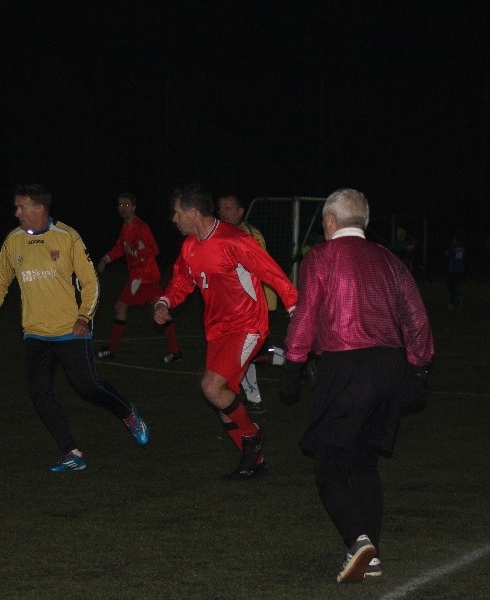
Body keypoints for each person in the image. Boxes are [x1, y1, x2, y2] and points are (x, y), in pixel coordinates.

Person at [281, 188, 434, 583]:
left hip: (346, 364)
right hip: (389, 365)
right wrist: (418, 369)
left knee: (329, 464)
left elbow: (306, 315)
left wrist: (293, 365)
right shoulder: (390, 259)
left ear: (330, 221)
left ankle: (358, 539)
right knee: (365, 464)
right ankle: (371, 555)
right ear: (363, 221)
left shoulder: (322, 257)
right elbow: (416, 317)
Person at [0, 184, 149, 473]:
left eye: (21, 207)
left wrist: (84, 316)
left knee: (88, 387)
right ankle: (71, 452)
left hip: (70, 329)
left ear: (38, 208)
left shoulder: (67, 236)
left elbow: (91, 281)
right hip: (35, 332)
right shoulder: (13, 241)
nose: (16, 212)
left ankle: (128, 413)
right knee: (38, 390)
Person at [153, 184, 298, 480]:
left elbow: (273, 273)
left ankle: (252, 436)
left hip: (247, 325)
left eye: (177, 213)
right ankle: (255, 462)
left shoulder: (235, 240)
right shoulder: (190, 246)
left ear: (193, 212)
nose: (174, 219)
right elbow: (182, 281)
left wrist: (295, 309)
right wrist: (165, 301)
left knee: (211, 387)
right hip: (217, 330)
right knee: (223, 401)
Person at [216, 193, 286, 414]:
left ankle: (296, 360)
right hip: (247, 303)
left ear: (241, 212)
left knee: (245, 352)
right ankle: (296, 361)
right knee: (252, 352)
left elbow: (260, 266)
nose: (223, 213)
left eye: (228, 208)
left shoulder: (246, 234)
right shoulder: (232, 233)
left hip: (259, 301)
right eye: (221, 208)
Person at [95, 193, 182, 363]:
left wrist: (136, 252)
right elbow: (120, 248)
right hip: (144, 277)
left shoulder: (140, 227)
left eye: (127, 205)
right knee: (158, 310)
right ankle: (175, 352)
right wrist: (106, 259)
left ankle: (110, 350)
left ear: (134, 207)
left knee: (121, 306)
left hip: (143, 278)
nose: (123, 208)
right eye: (120, 205)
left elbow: (154, 249)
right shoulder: (126, 227)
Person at [443, 232, 465, 308]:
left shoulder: (452, 247)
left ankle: (452, 302)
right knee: (453, 286)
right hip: (460, 269)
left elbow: (446, 255)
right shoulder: (462, 247)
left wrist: (447, 252)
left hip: (453, 269)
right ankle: (457, 297)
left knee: (451, 286)